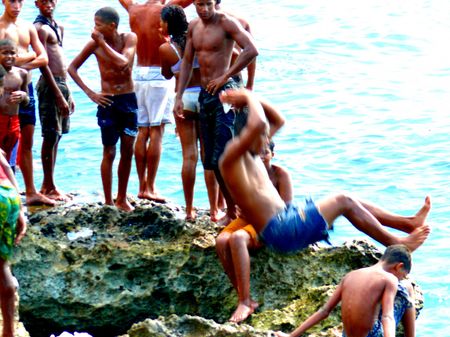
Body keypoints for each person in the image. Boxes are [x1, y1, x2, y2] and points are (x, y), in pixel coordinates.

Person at [217, 88, 430, 323]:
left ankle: (407, 223)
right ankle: (397, 243)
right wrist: (248, 97)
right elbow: (257, 126)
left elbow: (278, 119)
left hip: (287, 219)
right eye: (263, 137)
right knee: (343, 201)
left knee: (350, 201)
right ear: (245, 136)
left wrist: (251, 99)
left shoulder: (254, 155)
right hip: (281, 230)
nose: (267, 141)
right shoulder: (231, 159)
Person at [174, 0, 258, 226]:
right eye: (200, 4)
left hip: (226, 94)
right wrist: (178, 96)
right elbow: (187, 61)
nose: (204, 9)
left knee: (225, 155)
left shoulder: (226, 23)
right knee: (209, 159)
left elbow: (251, 50)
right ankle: (231, 210)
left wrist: (226, 76)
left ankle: (242, 208)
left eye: (208, 4)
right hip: (205, 94)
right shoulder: (193, 27)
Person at [119, 0, 193, 203]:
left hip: (139, 74)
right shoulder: (164, 9)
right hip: (159, 75)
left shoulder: (133, 8)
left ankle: (142, 185)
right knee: (157, 131)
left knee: (142, 131)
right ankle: (150, 187)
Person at [68, 7, 137, 212]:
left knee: (127, 149)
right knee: (109, 151)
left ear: (112, 26)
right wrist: (91, 93)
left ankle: (122, 198)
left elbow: (123, 63)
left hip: (127, 99)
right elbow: (72, 68)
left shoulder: (129, 38)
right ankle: (108, 200)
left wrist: (101, 42)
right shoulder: (94, 44)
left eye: (98, 25)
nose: (94, 29)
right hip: (107, 102)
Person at [215, 138, 293, 322]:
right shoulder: (248, 173)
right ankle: (243, 296)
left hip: (269, 222)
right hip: (246, 218)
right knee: (221, 241)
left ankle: (244, 301)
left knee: (238, 238)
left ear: (273, 155)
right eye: (258, 153)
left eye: (266, 152)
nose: (262, 156)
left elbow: (286, 209)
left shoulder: (280, 175)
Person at [159, 4, 223, 221]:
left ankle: (189, 210)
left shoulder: (167, 49)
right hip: (205, 95)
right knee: (208, 156)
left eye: (162, 21)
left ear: (167, 23)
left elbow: (167, 75)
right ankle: (215, 210)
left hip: (184, 97)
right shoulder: (198, 37)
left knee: (189, 156)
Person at [275, 244, 417, 337]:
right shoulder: (389, 279)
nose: (400, 280)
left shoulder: (350, 275)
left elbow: (324, 311)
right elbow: (388, 317)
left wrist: (292, 335)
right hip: (372, 334)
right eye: (402, 276)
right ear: (399, 266)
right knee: (408, 288)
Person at [0, 0, 55, 206]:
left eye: (20, 1)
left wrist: (18, 64)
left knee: (28, 140)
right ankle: (6, 192)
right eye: (12, 1)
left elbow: (43, 59)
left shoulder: (27, 26)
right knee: (4, 144)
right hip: (5, 91)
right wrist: (28, 56)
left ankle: (31, 191)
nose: (16, 5)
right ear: (3, 2)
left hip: (27, 87)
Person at [34, 0, 74, 202]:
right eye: (43, 1)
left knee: (57, 135)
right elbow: (44, 64)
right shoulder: (39, 28)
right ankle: (48, 185)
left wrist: (69, 92)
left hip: (62, 83)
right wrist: (58, 94)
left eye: (51, 0)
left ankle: (48, 184)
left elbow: (61, 59)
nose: (48, 4)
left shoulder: (58, 26)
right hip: (50, 86)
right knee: (50, 135)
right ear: (36, 4)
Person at [0, 39, 29, 161]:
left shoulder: (22, 73)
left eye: (12, 53)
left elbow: (27, 101)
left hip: (14, 123)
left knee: (10, 159)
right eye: (4, 53)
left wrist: (23, 96)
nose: (9, 56)